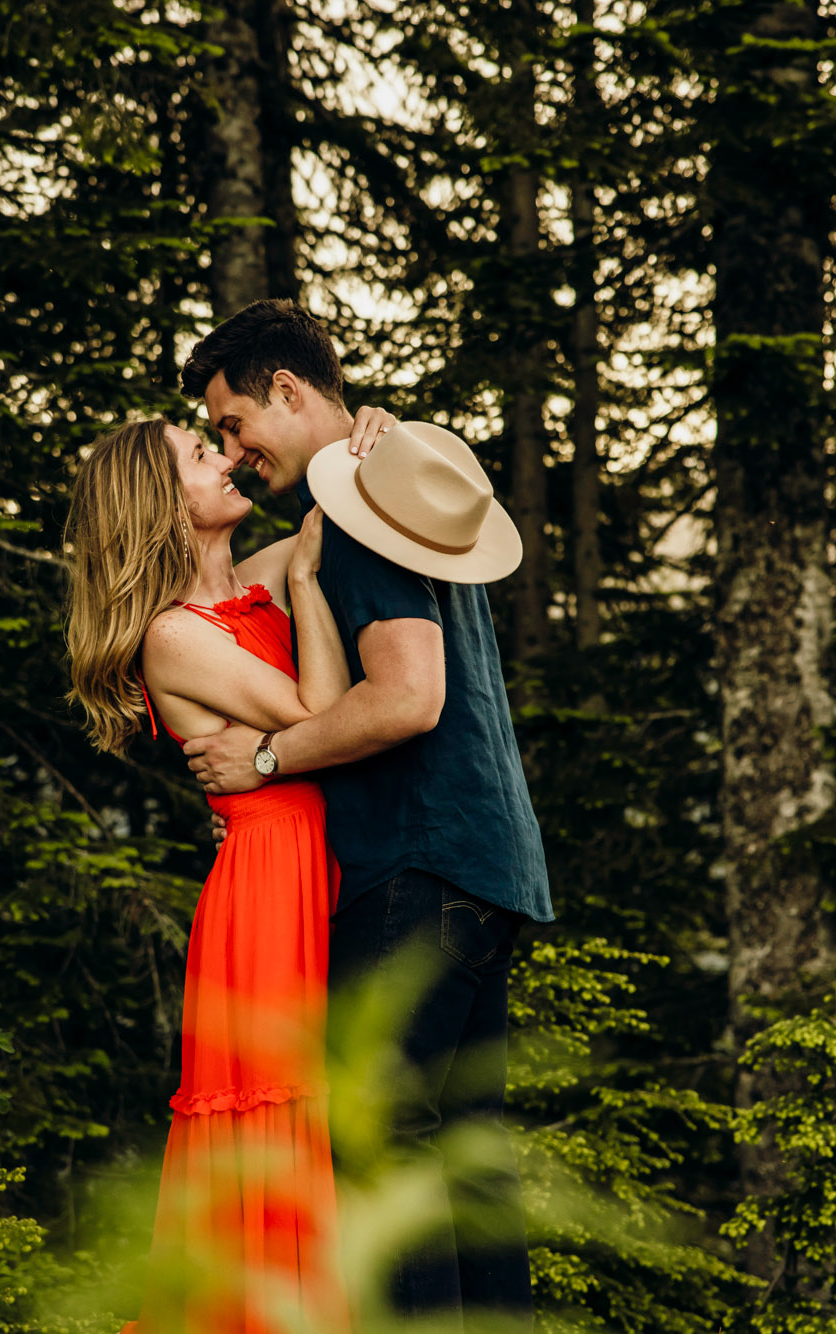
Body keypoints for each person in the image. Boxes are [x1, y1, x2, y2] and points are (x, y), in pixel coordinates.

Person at [178, 299, 554, 1332]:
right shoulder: (380, 492)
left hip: (413, 863)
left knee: (383, 1141)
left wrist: (261, 756)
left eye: (231, 422)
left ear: (287, 393)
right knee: (464, 1153)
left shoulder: (354, 508)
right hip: (487, 865)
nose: (231, 449)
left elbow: (405, 697)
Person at [65, 413, 376, 1334]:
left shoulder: (251, 580)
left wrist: (375, 432)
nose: (228, 458)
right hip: (269, 886)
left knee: (335, 1128)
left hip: (315, 862)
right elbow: (322, 713)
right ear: (165, 506)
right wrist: (312, 582)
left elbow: (347, 492)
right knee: (283, 1128)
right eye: (203, 455)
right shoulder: (172, 635)